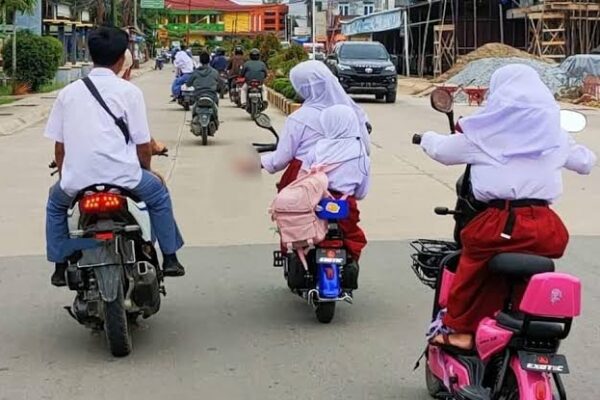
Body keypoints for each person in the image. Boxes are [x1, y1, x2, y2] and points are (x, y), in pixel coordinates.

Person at [418, 64, 596, 349]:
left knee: (471, 265)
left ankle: (462, 331)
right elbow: (586, 162)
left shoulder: (484, 138)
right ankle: (525, 318)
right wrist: (566, 146)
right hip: (546, 226)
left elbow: (442, 150)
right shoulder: (554, 138)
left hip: (502, 221)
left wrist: (425, 138)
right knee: (529, 269)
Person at [45, 26, 185, 287]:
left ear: (89, 52)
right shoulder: (129, 92)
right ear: (122, 58)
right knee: (159, 194)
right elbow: (143, 145)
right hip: (124, 179)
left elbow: (60, 148)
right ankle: (170, 257)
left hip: (78, 181)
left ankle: (59, 263)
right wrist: (146, 169)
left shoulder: (68, 93)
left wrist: (68, 176)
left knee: (56, 205)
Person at [303, 104, 370, 289]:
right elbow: (362, 191)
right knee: (353, 237)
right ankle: (350, 265)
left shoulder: (316, 149)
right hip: (345, 206)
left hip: (316, 203)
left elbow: (303, 177)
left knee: (306, 236)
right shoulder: (360, 153)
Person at [119, 48, 168, 156]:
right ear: (127, 71)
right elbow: (142, 142)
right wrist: (148, 169)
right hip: (119, 169)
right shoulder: (130, 93)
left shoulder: (74, 90)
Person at [186, 51, 220, 121]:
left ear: (200, 61)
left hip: (198, 96)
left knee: (193, 109)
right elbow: (219, 84)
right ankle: (216, 120)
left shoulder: (195, 72)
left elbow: (188, 84)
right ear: (209, 60)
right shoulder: (215, 72)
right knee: (216, 108)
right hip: (212, 96)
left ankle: (193, 121)